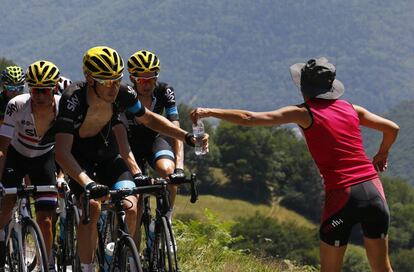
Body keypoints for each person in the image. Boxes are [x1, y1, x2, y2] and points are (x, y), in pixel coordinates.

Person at [190, 57, 398, 272]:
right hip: (375, 194)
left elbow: (248, 118)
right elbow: (392, 128)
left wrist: (209, 112)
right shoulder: (353, 109)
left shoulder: (303, 113)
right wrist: (381, 155)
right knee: (382, 268)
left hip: (343, 197)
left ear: (302, 86)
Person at [54, 46, 207, 272]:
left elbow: (150, 119)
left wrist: (186, 137)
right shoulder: (72, 99)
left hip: (108, 156)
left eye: (117, 80)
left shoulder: (123, 93)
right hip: (79, 160)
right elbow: (61, 151)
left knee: (131, 205)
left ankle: (118, 256)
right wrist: (88, 183)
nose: (113, 87)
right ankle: (86, 267)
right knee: (93, 209)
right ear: (89, 78)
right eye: (106, 81)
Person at [0, 60, 62, 270]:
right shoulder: (16, 105)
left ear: (54, 88)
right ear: (29, 88)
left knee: (45, 220)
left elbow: (67, 148)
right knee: (7, 203)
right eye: (36, 89)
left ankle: (48, 263)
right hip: (16, 156)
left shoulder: (62, 108)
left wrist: (62, 177)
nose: (40, 95)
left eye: (45, 90)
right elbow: (3, 147)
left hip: (44, 159)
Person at [125, 50, 184, 222]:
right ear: (132, 79)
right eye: (142, 80)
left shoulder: (165, 91)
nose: (147, 84)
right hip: (129, 146)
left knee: (168, 172)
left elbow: (175, 129)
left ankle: (165, 219)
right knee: (133, 202)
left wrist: (179, 168)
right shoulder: (125, 94)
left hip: (153, 142)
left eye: (152, 78)